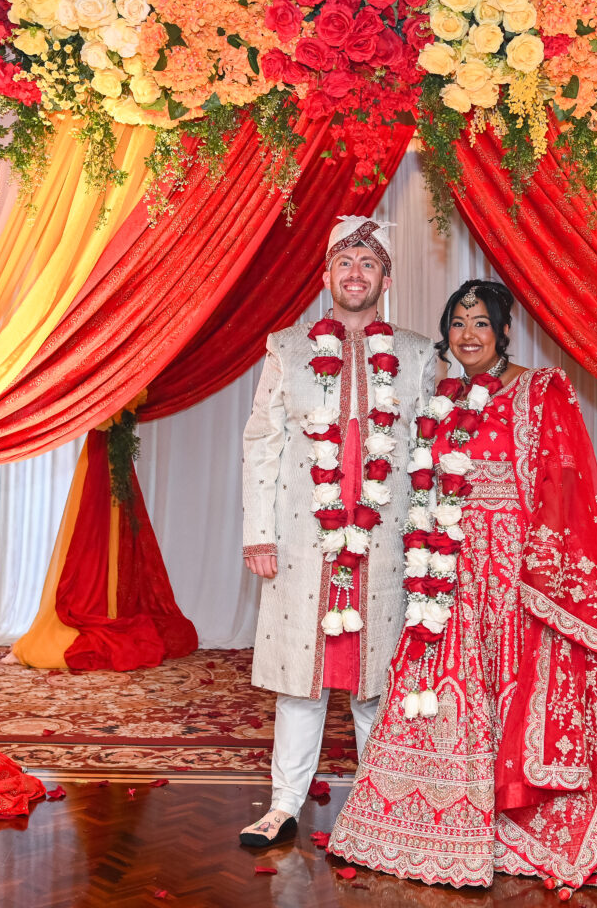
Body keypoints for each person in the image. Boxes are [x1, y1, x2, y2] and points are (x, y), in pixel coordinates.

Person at [329, 279, 597, 893]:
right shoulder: (441, 396)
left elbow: (563, 480)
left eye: (481, 323)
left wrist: (540, 568)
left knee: (514, 685)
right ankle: (440, 821)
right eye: (458, 323)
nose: (468, 335)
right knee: (444, 688)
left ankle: (516, 816)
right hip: (448, 572)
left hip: (515, 571)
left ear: (502, 330)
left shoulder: (541, 390)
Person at [239, 215, 436, 848]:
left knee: (375, 676)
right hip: (304, 536)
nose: (356, 274)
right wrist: (258, 535)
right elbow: (262, 444)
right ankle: (284, 804)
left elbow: (429, 448)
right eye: (345, 263)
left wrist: (430, 541)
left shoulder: (416, 353)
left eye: (369, 263)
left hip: (385, 537)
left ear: (386, 276)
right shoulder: (287, 347)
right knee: (303, 678)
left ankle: (381, 801)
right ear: (326, 275)